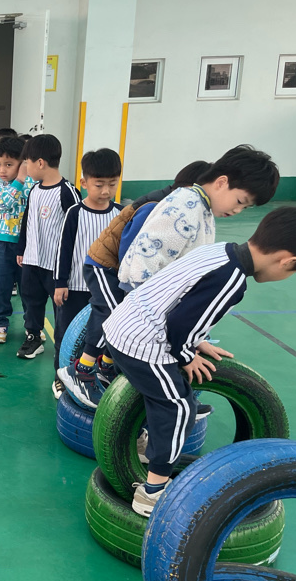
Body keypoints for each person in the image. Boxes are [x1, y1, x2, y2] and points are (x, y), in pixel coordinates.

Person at [103, 206, 296, 517]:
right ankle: (152, 492)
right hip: (142, 343)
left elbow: (181, 301)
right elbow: (179, 323)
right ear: (287, 261)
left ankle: (141, 442)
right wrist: (186, 355)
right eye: (294, 272)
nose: (288, 276)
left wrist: (197, 339)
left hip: (121, 326)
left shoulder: (220, 252)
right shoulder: (232, 280)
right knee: (178, 407)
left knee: (154, 393)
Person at [62, 160, 209, 407]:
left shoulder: (182, 208)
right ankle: (81, 370)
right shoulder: (154, 206)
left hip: (123, 271)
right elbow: (130, 249)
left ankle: (106, 366)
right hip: (105, 265)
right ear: (187, 190)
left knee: (126, 317)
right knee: (112, 314)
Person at [119, 145, 279, 288]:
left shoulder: (204, 209)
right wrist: (143, 292)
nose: (238, 210)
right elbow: (147, 251)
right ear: (221, 183)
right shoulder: (184, 205)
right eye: (240, 201)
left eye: (245, 207)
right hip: (146, 297)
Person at [51, 149, 122, 401]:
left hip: (108, 290)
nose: (106, 191)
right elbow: (64, 250)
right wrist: (60, 283)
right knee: (66, 335)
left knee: (103, 334)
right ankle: (61, 377)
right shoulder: (75, 213)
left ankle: (96, 375)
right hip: (76, 287)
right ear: (84, 182)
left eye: (112, 184)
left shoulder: (121, 214)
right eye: (99, 185)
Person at [15, 135, 81, 377]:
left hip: (56, 266)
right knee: (31, 301)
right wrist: (22, 249)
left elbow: (78, 228)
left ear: (40, 163)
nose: (26, 168)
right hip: (32, 260)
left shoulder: (67, 192)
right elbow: (27, 221)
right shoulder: (34, 190)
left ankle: (64, 349)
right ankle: (34, 336)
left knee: (61, 310)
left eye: (27, 163)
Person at [0, 136, 33, 344]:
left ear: (22, 163)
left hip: (27, 243)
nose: (2, 170)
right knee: (0, 285)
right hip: (1, 242)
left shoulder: (33, 184)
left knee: (29, 287)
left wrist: (24, 179)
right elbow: (3, 204)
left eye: (8, 164)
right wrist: (19, 180)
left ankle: (32, 324)